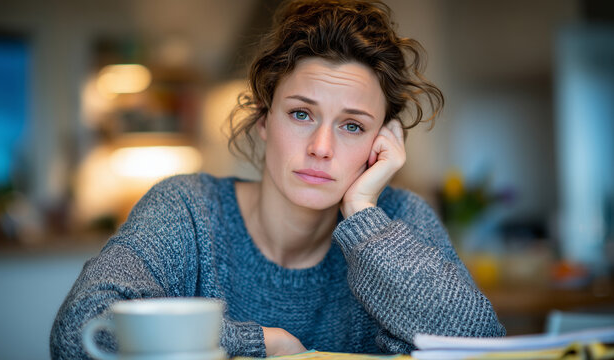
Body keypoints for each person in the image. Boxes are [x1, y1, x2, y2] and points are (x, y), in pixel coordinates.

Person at [51, 0, 506, 358]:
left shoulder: (399, 221)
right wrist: (264, 344)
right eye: (301, 113)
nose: (322, 147)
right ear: (264, 119)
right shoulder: (187, 210)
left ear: (381, 143)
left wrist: (364, 213)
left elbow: (482, 347)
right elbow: (81, 331)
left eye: (353, 126)